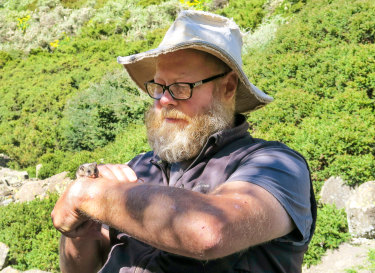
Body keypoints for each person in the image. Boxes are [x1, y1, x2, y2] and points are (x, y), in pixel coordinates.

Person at [51, 10, 316, 273]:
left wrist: (90, 194)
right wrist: (79, 232)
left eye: (181, 87)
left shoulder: (276, 165)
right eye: (158, 86)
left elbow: (210, 230)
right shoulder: (140, 167)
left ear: (228, 88)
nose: (164, 100)